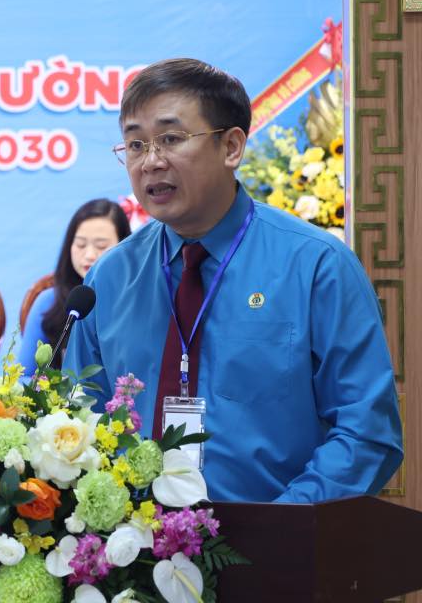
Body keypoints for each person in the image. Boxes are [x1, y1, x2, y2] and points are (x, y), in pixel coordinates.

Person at [64, 57, 402, 503]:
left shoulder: (317, 266)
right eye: (135, 144)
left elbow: (366, 432)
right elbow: (75, 418)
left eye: (170, 138)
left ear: (232, 147)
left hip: (280, 552)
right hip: (136, 557)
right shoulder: (109, 277)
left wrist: (282, 528)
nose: (150, 161)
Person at [0, 198, 131, 379]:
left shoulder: (136, 301)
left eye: (101, 246)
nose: (89, 255)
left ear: (125, 246)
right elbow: (24, 377)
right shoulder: (49, 302)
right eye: (81, 245)